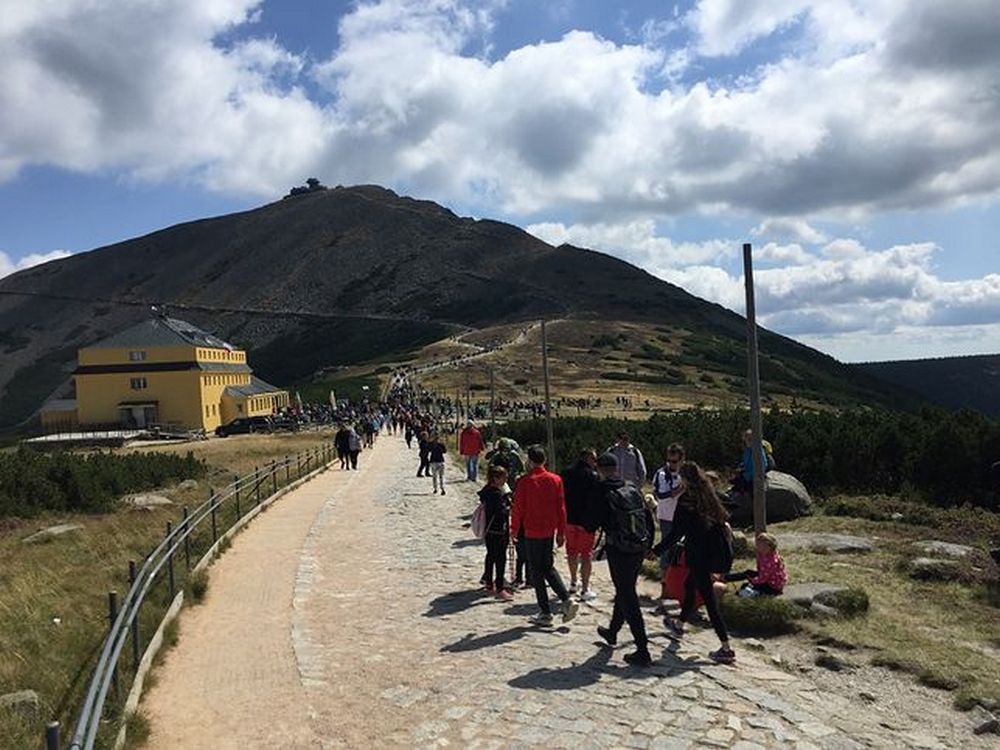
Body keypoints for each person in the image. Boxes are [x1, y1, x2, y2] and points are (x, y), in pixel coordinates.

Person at [661, 461, 736, 664]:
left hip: (697, 554)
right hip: (711, 553)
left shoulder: (687, 499)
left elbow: (677, 532)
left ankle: (726, 647)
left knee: (709, 601)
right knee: (689, 585)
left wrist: (657, 550)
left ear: (684, 479)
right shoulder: (708, 495)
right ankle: (679, 624)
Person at [593, 452, 654, 667]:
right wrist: (648, 544)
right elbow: (647, 517)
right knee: (624, 588)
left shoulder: (603, 491)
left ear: (600, 469)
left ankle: (642, 648)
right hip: (637, 546)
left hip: (619, 548)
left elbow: (598, 520)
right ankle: (613, 631)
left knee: (627, 594)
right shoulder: (631, 487)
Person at [509, 445, 579, 626]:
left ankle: (545, 612)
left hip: (531, 532)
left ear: (530, 461)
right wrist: (561, 532)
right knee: (547, 566)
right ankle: (566, 600)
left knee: (536, 571)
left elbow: (518, 509)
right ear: (544, 460)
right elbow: (561, 508)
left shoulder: (524, 482)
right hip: (549, 531)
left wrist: (514, 530)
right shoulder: (555, 480)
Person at [560, 448, 600, 600]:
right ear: (589, 458)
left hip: (569, 519)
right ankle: (584, 588)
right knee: (586, 555)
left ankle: (572, 582)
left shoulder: (566, 472)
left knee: (571, 552)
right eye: (594, 460)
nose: (595, 463)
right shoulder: (592, 476)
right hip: (586, 522)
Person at [652, 444, 685, 608]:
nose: (671, 464)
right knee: (666, 552)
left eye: (675, 461)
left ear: (681, 459)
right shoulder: (661, 474)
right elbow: (660, 494)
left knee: (681, 553)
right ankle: (665, 588)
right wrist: (677, 491)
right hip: (666, 517)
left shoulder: (686, 474)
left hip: (683, 517)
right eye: (669, 460)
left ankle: (681, 589)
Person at [478, 465, 513, 601]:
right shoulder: (496, 494)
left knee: (490, 556)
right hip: (499, 530)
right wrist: (508, 507)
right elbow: (500, 512)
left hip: (489, 530)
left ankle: (488, 582)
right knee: (500, 559)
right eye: (504, 477)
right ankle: (499, 588)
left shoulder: (486, 491)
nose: (505, 480)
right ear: (496, 478)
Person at [725, 532, 787, 598]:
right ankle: (726, 578)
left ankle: (740, 595)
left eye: (763, 547)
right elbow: (762, 573)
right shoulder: (766, 554)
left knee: (747, 586)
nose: (759, 548)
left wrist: (752, 580)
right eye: (758, 545)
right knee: (748, 573)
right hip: (769, 581)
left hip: (772, 587)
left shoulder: (770, 562)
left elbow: (763, 579)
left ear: (770, 547)